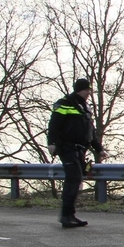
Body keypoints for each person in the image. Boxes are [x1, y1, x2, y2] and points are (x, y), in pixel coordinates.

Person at [46, 77, 103, 228]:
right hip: (67, 147)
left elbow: (90, 131)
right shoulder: (66, 102)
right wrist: (51, 143)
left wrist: (99, 149)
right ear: (81, 90)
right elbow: (54, 123)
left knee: (76, 179)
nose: (89, 93)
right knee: (74, 178)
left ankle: (70, 214)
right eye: (87, 90)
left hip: (80, 148)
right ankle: (65, 215)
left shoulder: (85, 107)